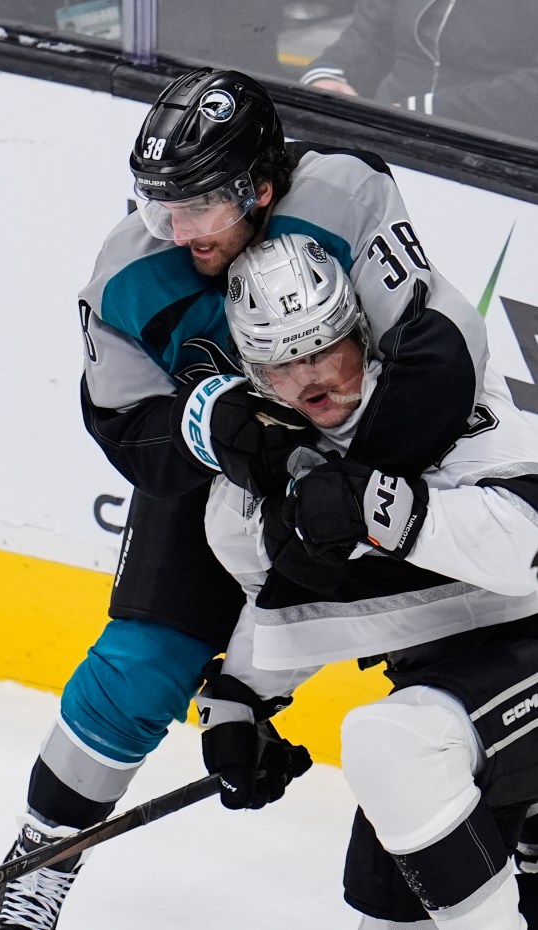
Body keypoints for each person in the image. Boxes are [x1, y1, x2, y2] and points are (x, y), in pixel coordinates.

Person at [0, 67, 489, 929]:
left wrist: (351, 491)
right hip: (224, 472)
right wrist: (220, 430)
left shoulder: (343, 195)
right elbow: (122, 427)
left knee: (449, 655)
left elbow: (438, 351)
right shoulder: (129, 274)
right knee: (141, 667)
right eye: (156, 206)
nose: (174, 232)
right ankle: (42, 852)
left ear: (257, 186)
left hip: (366, 446)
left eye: (197, 208)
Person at [198, 232, 538, 929]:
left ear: (361, 330)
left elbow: (526, 548)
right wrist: (242, 698)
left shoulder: (436, 402)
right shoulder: (254, 494)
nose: (309, 378)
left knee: (395, 745)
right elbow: (296, 605)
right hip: (464, 696)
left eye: (323, 347)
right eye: (280, 364)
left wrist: (389, 510)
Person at [300, 0, 538, 143]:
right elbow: (369, 33)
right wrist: (326, 75)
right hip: (384, 131)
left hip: (488, 149)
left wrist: (427, 112)